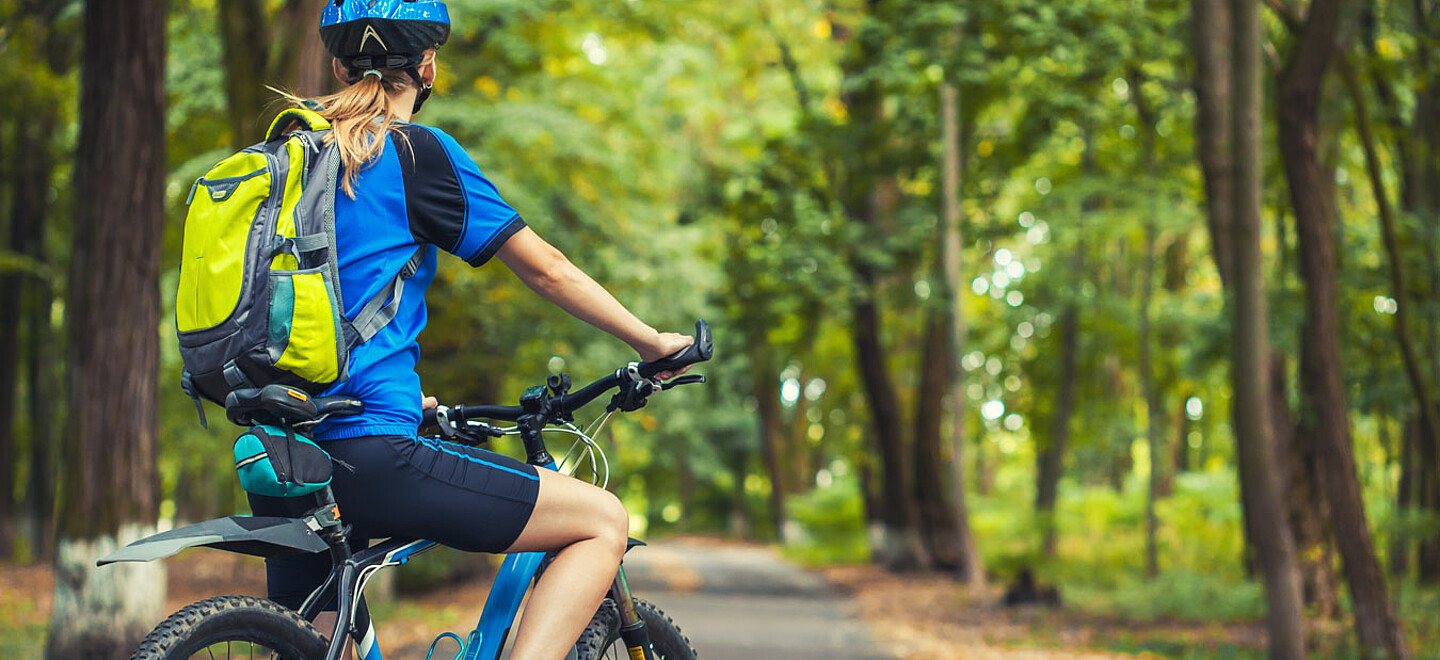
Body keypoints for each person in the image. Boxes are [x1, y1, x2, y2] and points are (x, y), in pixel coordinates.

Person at [247, 2, 693, 659]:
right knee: (602, 520)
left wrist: (406, 398)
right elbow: (547, 269)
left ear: (339, 65)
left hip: (275, 455)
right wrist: (652, 342)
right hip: (370, 454)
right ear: (428, 65)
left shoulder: (278, 160)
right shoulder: (415, 154)